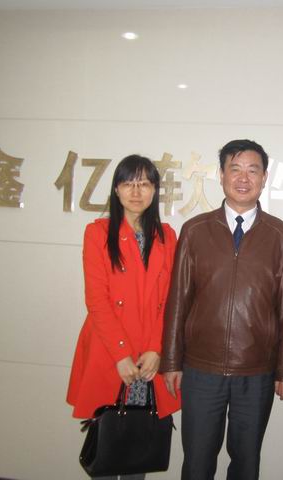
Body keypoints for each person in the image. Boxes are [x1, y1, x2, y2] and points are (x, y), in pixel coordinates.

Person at [161, 139, 283, 480]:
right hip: (200, 368)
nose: (243, 178)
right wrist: (171, 361)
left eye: (253, 170)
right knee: (197, 462)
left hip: (256, 371)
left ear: (264, 178)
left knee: (246, 462)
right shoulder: (195, 231)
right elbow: (178, 300)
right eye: (234, 169)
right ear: (221, 175)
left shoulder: (280, 236)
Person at [67, 155, 180, 480]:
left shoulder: (166, 236)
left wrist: (156, 348)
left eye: (144, 184)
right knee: (108, 441)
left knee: (138, 442)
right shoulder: (98, 233)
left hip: (149, 357)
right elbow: (97, 300)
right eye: (128, 183)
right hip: (110, 351)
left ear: (155, 190)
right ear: (116, 189)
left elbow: (170, 300)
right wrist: (120, 354)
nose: (136, 191)